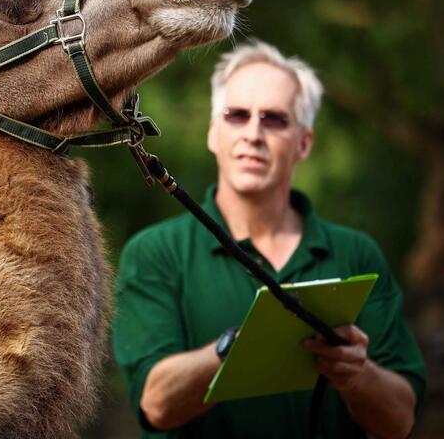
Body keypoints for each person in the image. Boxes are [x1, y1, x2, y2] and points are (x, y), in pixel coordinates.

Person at [112, 41, 426, 438]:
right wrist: (234, 347)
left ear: (304, 143)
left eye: (275, 119)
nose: (253, 134)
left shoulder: (355, 254)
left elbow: (401, 420)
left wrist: (357, 375)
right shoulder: (155, 253)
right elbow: (155, 405)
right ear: (214, 133)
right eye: (237, 115)